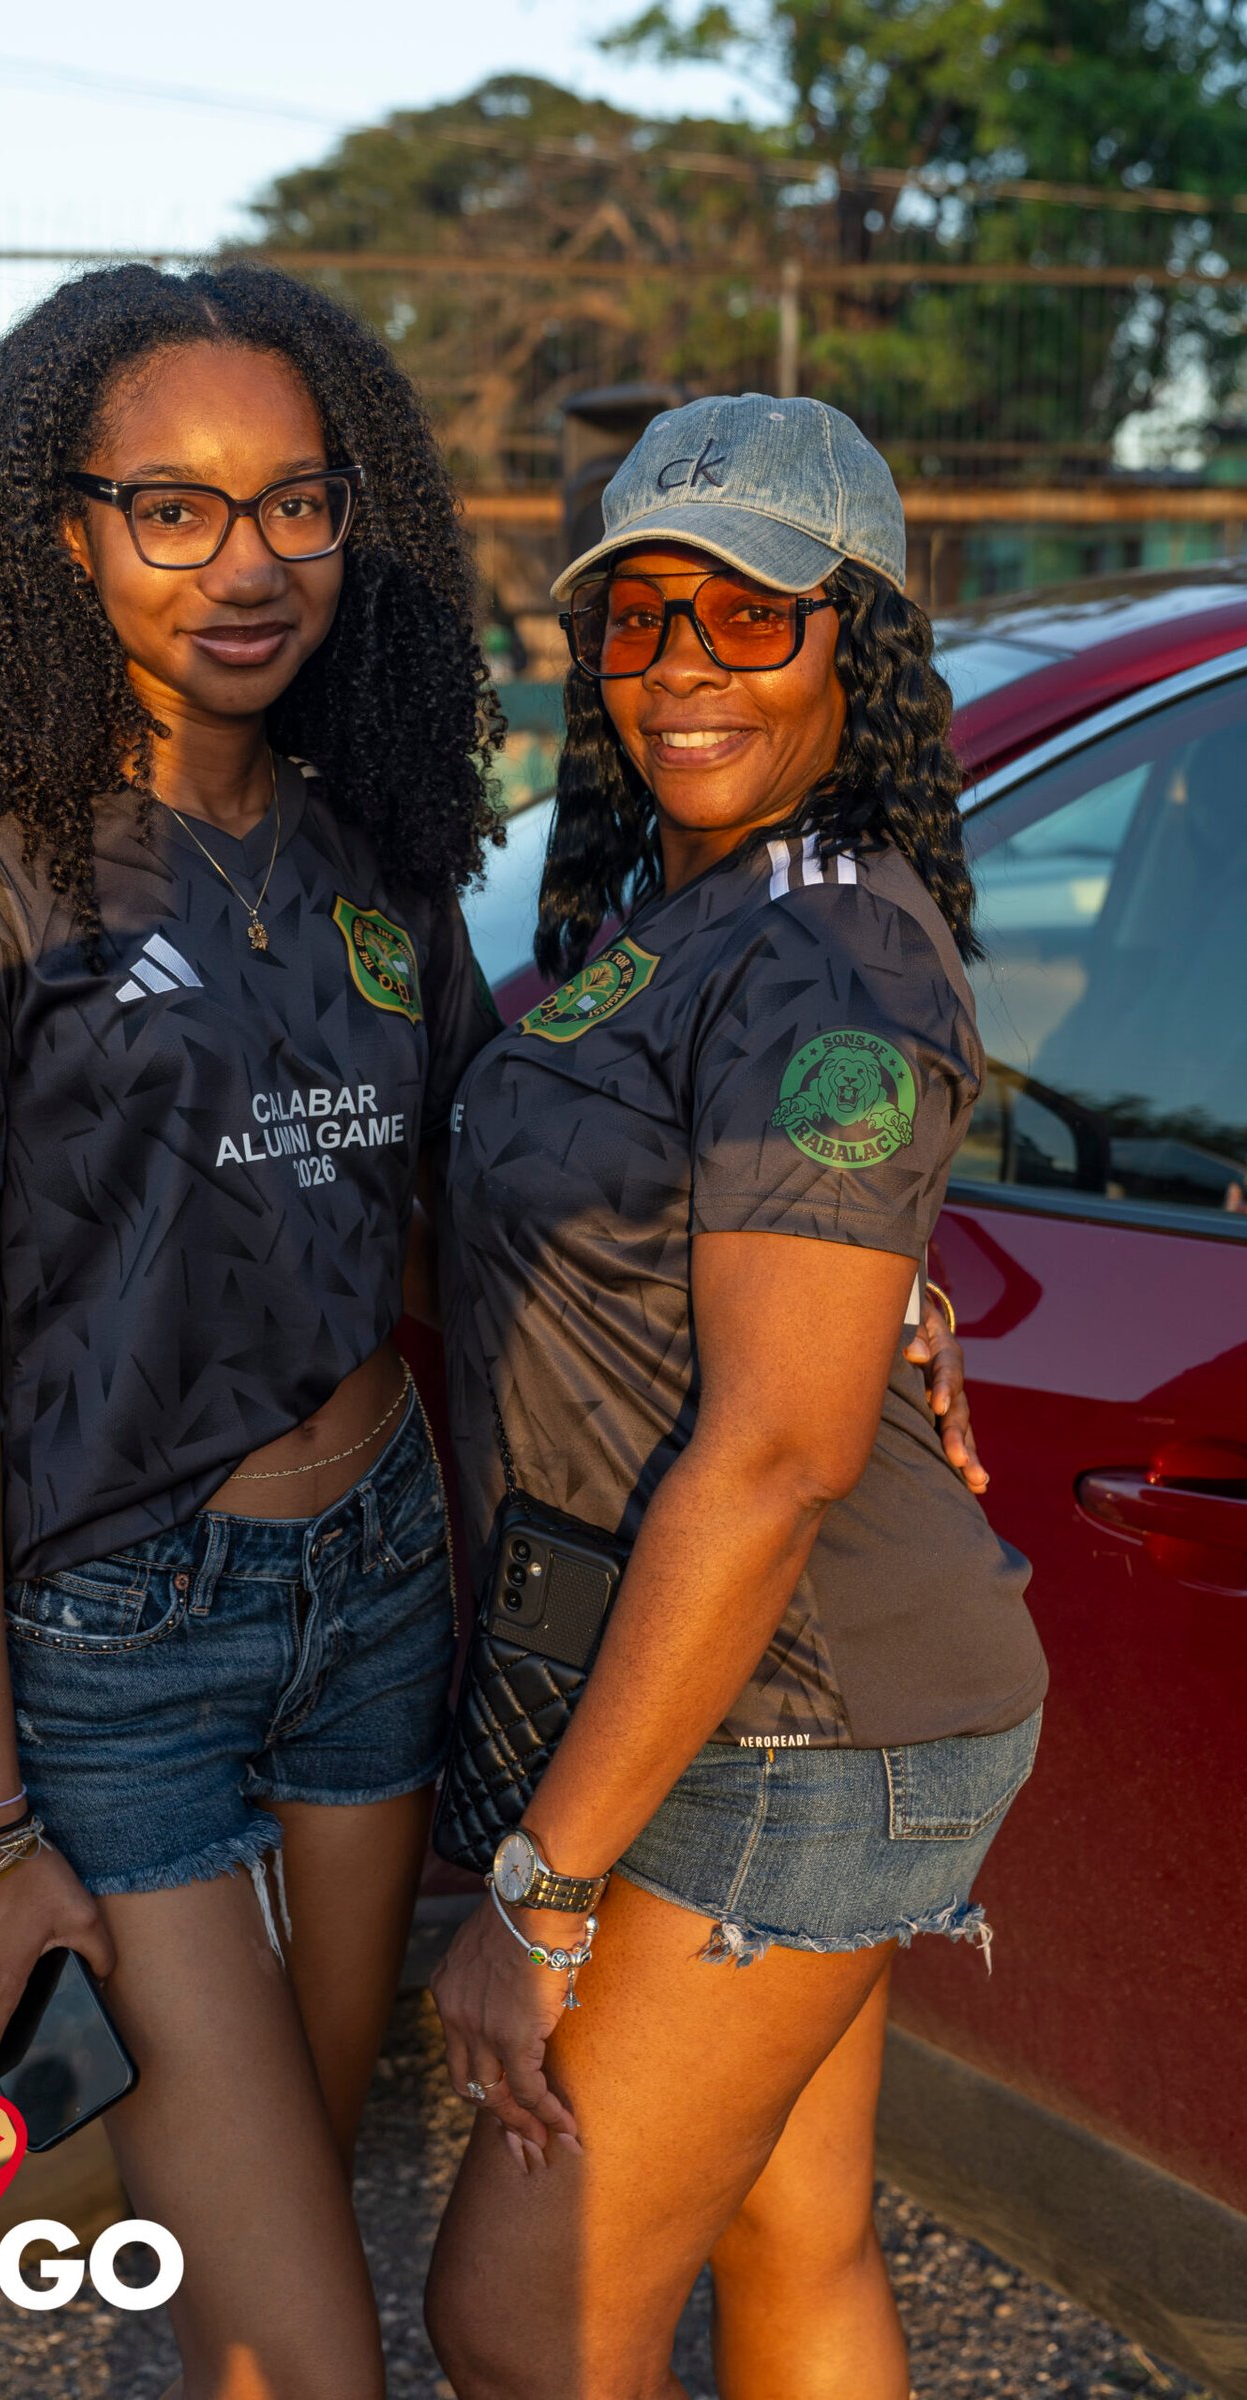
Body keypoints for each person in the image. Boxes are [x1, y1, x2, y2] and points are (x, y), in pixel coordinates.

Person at [0, 261, 504, 2400]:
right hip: (125, 1633)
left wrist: (883, 1288)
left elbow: (499, 1185)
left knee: (266, 2260)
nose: (246, 565)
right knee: (312, 2347)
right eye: (174, 508)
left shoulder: (374, 832)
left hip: (377, 1590)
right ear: (66, 531)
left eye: (295, 502)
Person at [427, 394, 1048, 2400]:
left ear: (857, 647)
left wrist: (539, 1899)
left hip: (786, 1719)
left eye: (749, 616)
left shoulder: (828, 955)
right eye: (639, 617)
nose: (681, 667)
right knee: (794, 2234)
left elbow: (776, 1457)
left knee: (518, 2323)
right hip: (763, 1689)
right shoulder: (719, 901)